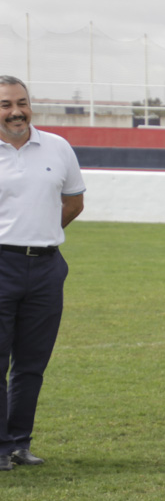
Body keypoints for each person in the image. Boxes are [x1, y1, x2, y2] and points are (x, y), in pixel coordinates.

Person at [0, 75, 85, 472]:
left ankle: (18, 443)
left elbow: (73, 201)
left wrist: (40, 234)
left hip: (47, 266)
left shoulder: (58, 146)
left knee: (32, 364)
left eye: (21, 102)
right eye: (5, 104)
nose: (16, 111)